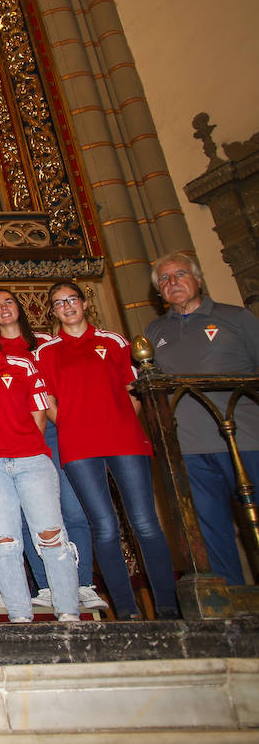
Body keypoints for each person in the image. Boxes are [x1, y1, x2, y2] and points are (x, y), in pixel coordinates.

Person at [36, 281, 179, 618]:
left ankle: (168, 607)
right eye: (59, 303)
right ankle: (127, 610)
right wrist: (71, 423)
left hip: (124, 440)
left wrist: (118, 420)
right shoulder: (47, 352)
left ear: (85, 304)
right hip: (79, 445)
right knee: (104, 526)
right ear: (52, 312)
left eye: (72, 299)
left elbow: (134, 390)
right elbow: (49, 401)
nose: (67, 306)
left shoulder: (113, 341)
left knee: (144, 523)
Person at [0, 308, 80, 623]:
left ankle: (68, 611)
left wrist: (25, 447)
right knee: (3, 541)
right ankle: (20, 615)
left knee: (51, 536)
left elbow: (39, 412)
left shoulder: (22, 365)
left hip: (31, 460)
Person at [145, 252, 259, 587]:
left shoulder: (236, 318)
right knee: (211, 532)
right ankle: (234, 607)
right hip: (190, 448)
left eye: (180, 274)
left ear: (198, 279)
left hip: (247, 439)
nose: (173, 283)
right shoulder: (154, 330)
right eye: (164, 280)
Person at [0, 288, 103, 611]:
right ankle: (47, 585)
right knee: (27, 514)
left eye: (8, 301)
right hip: (17, 435)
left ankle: (83, 582)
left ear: (20, 307)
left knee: (71, 508)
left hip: (54, 430)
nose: (3, 308)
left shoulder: (44, 343)